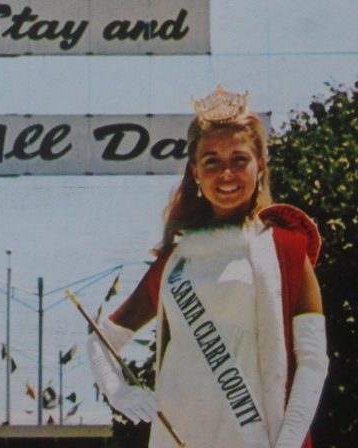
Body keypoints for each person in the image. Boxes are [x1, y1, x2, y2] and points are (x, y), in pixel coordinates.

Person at [88, 86, 328, 448]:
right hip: (184, 431)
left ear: (260, 165)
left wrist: (289, 441)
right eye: (212, 161)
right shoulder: (176, 261)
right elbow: (100, 339)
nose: (226, 173)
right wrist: (116, 391)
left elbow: (311, 362)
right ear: (195, 172)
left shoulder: (286, 249)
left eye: (239, 159)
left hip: (260, 436)